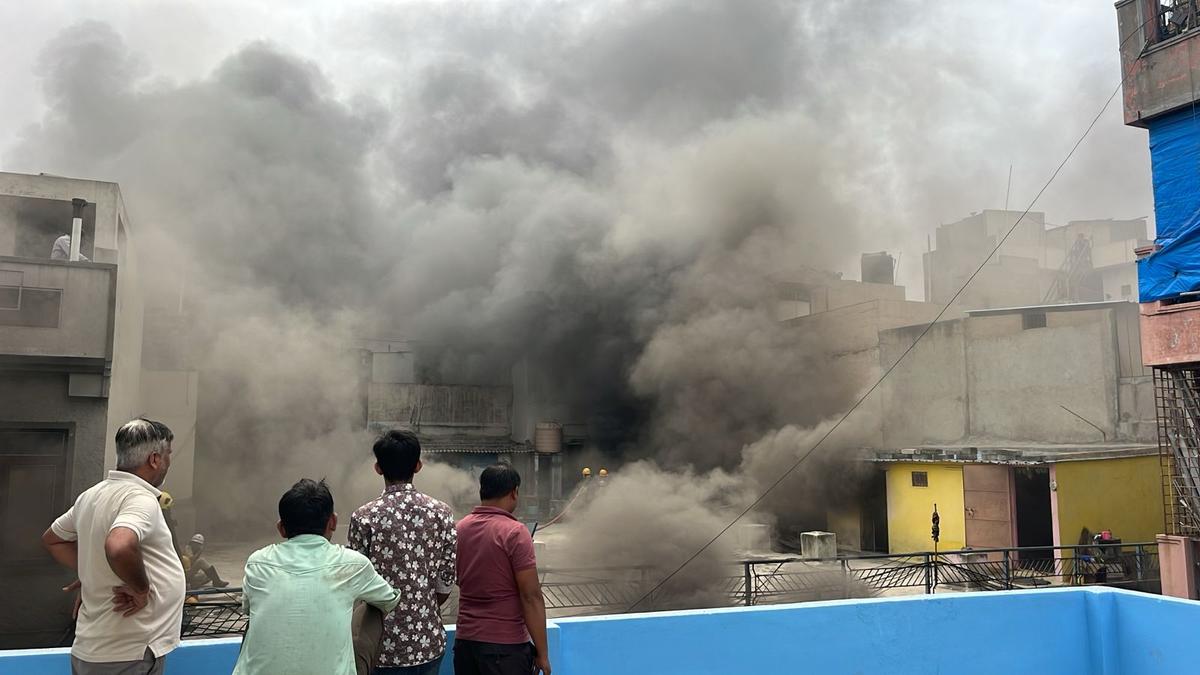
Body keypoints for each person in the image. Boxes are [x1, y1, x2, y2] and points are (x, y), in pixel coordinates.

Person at [41, 418, 184, 675]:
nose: (168, 462)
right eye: (168, 455)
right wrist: (141, 589)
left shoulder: (91, 495)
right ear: (154, 459)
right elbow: (119, 546)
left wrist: (91, 570)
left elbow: (53, 539)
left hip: (97, 652)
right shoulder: (140, 498)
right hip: (128, 654)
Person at [232, 478, 401, 675]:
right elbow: (389, 599)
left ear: (281, 528)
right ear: (333, 522)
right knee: (373, 606)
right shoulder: (353, 564)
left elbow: (248, 608)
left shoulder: (257, 562)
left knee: (255, 619)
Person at [349, 430, 456, 675]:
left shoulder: (363, 517)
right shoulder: (441, 513)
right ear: (418, 465)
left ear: (378, 468)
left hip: (379, 647)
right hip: (427, 643)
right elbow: (446, 581)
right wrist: (422, 602)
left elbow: (356, 581)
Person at [454, 464, 550, 675]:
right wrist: (542, 654)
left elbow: (459, 579)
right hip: (505, 650)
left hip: (465, 645)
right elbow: (531, 596)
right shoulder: (515, 532)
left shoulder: (460, 528)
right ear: (514, 492)